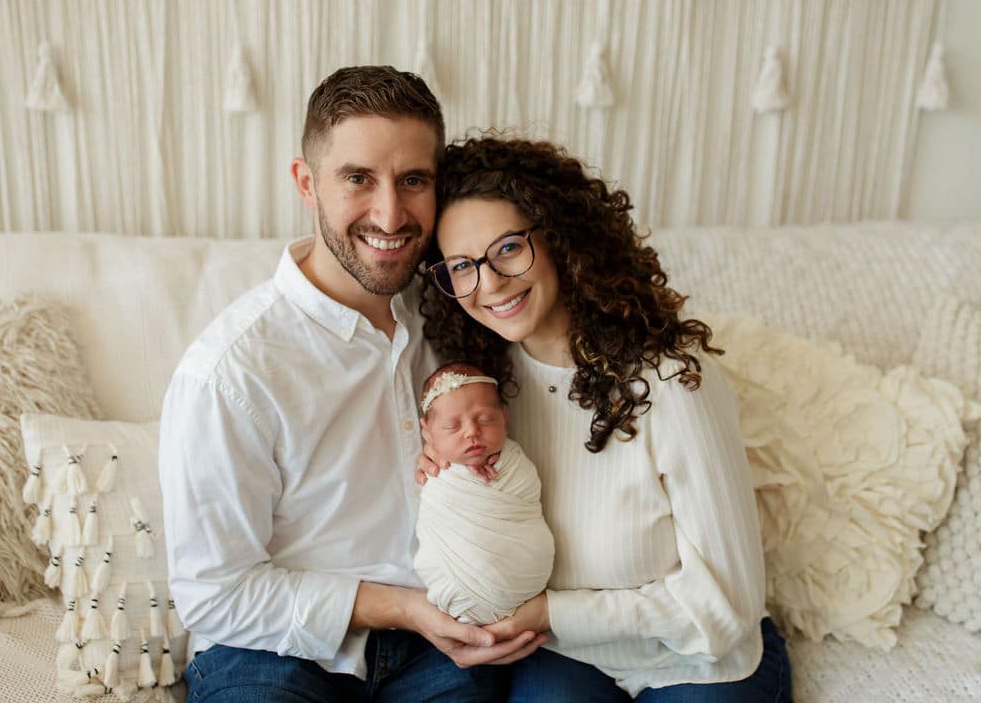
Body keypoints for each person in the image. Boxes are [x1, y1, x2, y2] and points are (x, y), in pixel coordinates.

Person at [158, 68, 543, 703]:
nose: (390, 213)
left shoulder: (461, 306)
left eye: (413, 180)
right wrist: (404, 608)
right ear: (306, 183)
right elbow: (214, 594)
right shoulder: (226, 374)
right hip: (271, 651)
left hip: (442, 643)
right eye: (358, 179)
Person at [417, 135, 793, 702]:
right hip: (570, 656)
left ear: (562, 239)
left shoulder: (672, 383)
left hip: (698, 657)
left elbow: (727, 606)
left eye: (510, 248)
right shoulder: (485, 393)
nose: (488, 283)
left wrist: (554, 612)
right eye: (462, 266)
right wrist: (449, 485)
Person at [413, 362, 555, 626]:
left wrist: (502, 466)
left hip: (525, 580)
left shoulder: (514, 461)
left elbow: (527, 490)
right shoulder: (435, 471)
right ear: (427, 432)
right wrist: (459, 472)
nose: (471, 432)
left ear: (504, 418)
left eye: (485, 420)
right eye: (452, 427)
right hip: (457, 590)